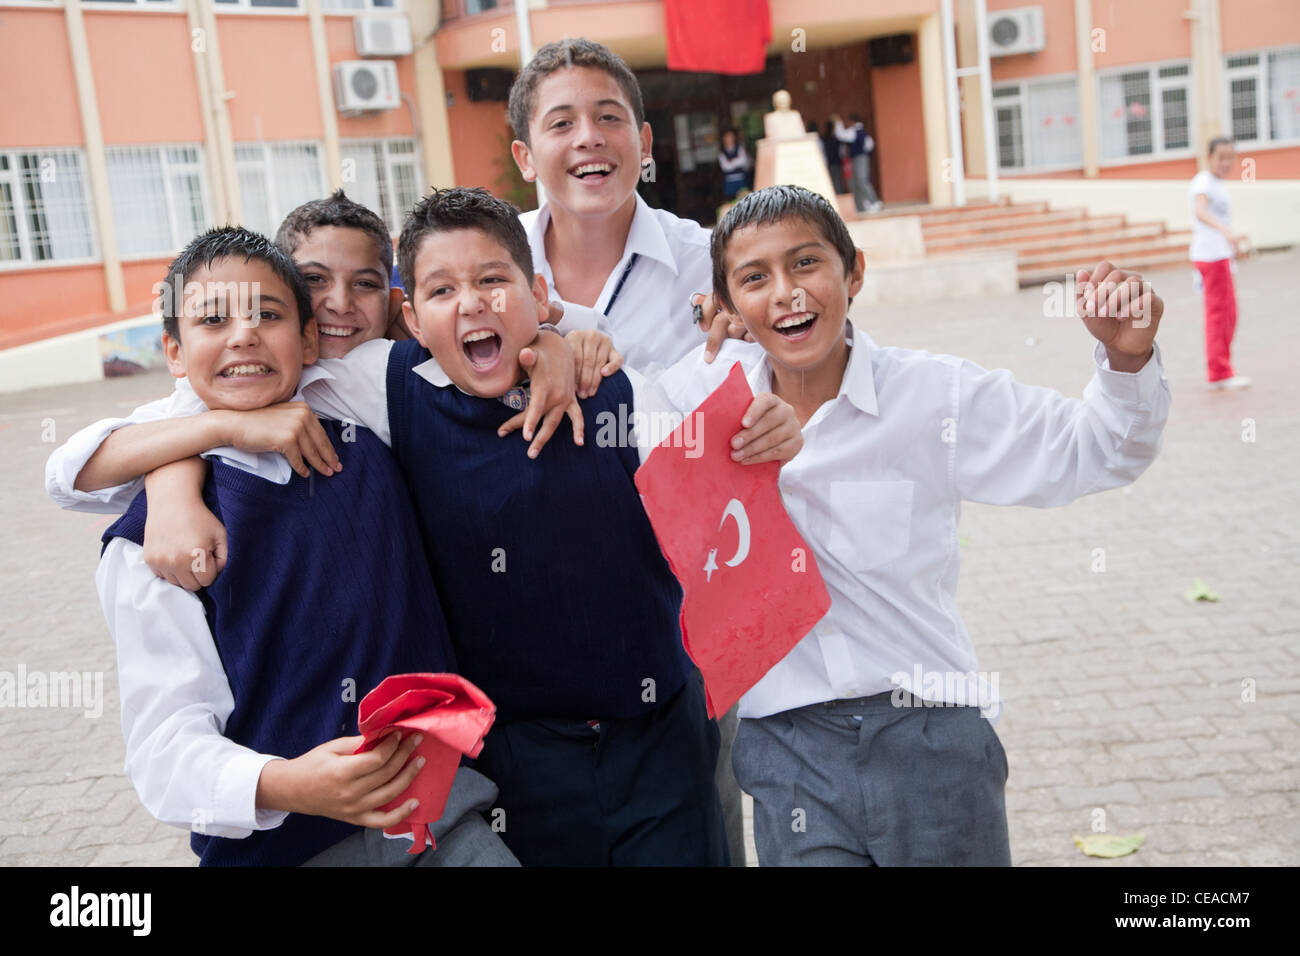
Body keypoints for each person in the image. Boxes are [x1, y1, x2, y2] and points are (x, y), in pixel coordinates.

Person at [66, 187, 806, 866]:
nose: (248, 339)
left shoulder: (574, 384)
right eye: (442, 291)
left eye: (268, 316)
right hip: (469, 778)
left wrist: (757, 411)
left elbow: (705, 444)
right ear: (413, 317)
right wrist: (182, 468)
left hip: (627, 753)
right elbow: (93, 459)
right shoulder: (368, 396)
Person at [654, 185, 1171, 866]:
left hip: (934, 741)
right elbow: (617, 442)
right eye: (755, 279)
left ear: (854, 272)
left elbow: (1095, 448)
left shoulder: (935, 398)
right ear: (729, 307)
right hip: (789, 753)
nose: (785, 292)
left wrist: (1127, 359)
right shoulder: (697, 404)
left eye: (806, 263)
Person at [92, 226, 518, 867]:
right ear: (174, 354)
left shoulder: (375, 431)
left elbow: (484, 359)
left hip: (444, 821)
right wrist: (285, 783)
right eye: (214, 320)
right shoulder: (155, 542)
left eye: (268, 314)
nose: (243, 336)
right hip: (286, 851)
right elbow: (163, 747)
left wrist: (559, 346)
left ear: (311, 339)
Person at [505, 35, 752, 863]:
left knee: (703, 816)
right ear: (523, 152)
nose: (589, 139)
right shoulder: (482, 268)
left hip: (687, 612)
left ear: (644, 144)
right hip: (535, 625)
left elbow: (817, 342)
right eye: (562, 122)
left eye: (610, 118)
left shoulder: (708, 264)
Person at [1190, 137, 1249, 390]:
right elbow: (1200, 211)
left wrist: (1231, 240)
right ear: (1209, 157)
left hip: (1220, 255)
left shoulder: (1217, 184)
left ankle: (1222, 368)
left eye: (1230, 157)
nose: (1226, 162)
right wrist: (1225, 231)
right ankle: (1219, 372)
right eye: (1221, 157)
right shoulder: (1203, 181)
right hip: (1211, 256)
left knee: (1229, 314)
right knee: (1219, 316)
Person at [833, 113, 882, 214]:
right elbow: (870, 145)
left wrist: (838, 123)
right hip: (859, 158)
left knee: (861, 179)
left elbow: (841, 135)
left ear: (852, 122)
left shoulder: (855, 131)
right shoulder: (861, 132)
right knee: (857, 181)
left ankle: (874, 201)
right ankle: (860, 206)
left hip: (859, 158)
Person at [718, 128, 751, 200]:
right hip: (729, 181)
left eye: (731, 136)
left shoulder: (740, 148)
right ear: (724, 139)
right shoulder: (722, 153)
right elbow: (725, 167)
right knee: (731, 201)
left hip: (741, 179)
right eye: (728, 137)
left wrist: (731, 161)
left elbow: (743, 161)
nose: (730, 139)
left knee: (745, 199)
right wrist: (737, 161)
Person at [821, 119, 847, 196]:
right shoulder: (836, 138)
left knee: (832, 181)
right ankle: (839, 195)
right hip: (836, 161)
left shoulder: (825, 138)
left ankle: (836, 195)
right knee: (838, 180)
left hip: (830, 162)